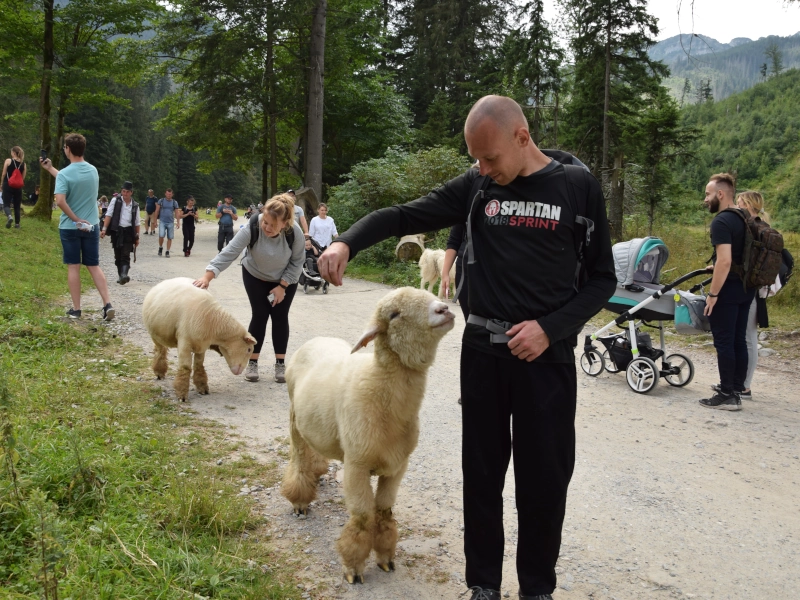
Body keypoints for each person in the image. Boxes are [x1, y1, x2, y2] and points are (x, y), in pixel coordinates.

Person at [318, 95, 615, 600]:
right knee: (481, 478)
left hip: (547, 360)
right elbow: (402, 215)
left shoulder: (577, 187)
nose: (483, 168)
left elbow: (602, 279)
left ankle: (537, 589)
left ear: (522, 137)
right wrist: (346, 241)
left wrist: (549, 329)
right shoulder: (478, 185)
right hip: (483, 355)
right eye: (475, 159)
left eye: (490, 158)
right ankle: (483, 586)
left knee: (544, 482)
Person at [193, 194, 304, 384]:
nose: (266, 227)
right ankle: (253, 362)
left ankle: (280, 364)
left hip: (285, 279)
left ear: (284, 223)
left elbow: (297, 262)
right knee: (260, 315)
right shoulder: (253, 225)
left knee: (280, 316)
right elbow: (230, 251)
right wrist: (208, 276)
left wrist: (282, 286)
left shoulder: (295, 233)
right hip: (255, 276)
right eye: (265, 222)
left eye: (272, 225)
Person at [40, 133, 114, 321]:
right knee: (93, 265)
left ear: (68, 149)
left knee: (74, 266)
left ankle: (76, 309)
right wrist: (50, 169)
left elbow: (60, 200)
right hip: (92, 226)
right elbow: (72, 179)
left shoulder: (65, 174)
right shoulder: (93, 171)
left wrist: (76, 220)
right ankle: (107, 304)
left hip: (70, 227)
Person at [700, 173, 756, 412]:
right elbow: (739, 255)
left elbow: (725, 261)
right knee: (738, 339)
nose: (705, 199)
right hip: (746, 287)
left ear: (720, 194)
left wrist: (713, 294)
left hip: (728, 289)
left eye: (708, 194)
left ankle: (726, 395)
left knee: (724, 341)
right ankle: (736, 388)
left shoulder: (721, 221)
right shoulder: (744, 216)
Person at [100, 181, 140, 285]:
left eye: (127, 192)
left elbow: (137, 223)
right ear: (121, 191)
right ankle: (121, 275)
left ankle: (124, 274)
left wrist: (137, 237)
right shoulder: (115, 201)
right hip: (116, 231)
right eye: (123, 191)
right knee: (118, 255)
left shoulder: (135, 205)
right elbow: (108, 215)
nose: (125, 194)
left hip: (129, 232)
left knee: (125, 255)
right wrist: (104, 229)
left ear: (131, 192)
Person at [1, 146, 27, 229]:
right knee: (17, 206)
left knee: (6, 204)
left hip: (7, 184)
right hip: (18, 187)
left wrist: (1, 183)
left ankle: (9, 216)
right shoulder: (23, 164)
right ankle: (17, 224)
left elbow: (4, 174)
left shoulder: (8, 161)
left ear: (14, 153)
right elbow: (23, 177)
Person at [154, 188, 179, 257]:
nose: (169, 195)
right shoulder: (161, 201)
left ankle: (167, 251)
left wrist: (178, 222)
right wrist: (155, 221)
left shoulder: (174, 202)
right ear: (165, 194)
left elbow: (177, 212)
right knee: (161, 235)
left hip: (170, 222)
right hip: (162, 221)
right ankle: (160, 247)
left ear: (172, 194)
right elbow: (157, 211)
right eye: (168, 194)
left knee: (170, 237)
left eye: (170, 194)